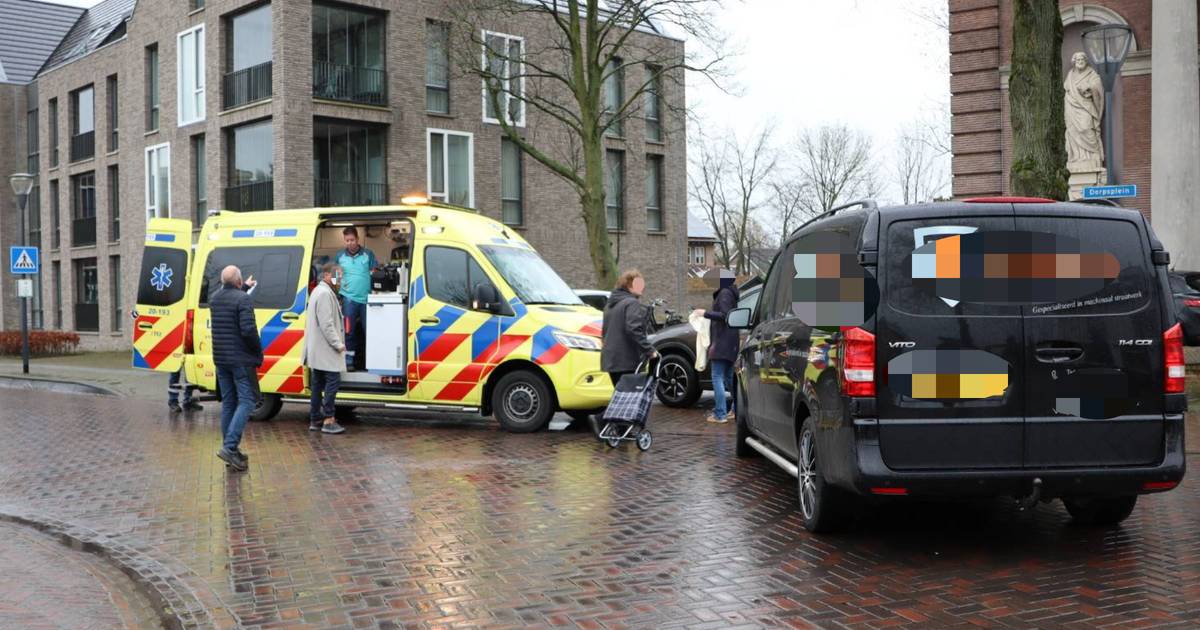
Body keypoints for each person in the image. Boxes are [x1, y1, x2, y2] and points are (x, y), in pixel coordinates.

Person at [210, 265, 262, 472]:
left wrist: (243, 287)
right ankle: (230, 447)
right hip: (240, 359)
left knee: (229, 404)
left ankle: (230, 449)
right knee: (248, 401)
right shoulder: (244, 299)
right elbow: (248, 330)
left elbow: (230, 298)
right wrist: (258, 352)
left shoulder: (215, 298)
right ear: (239, 282)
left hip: (221, 360)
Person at [304, 262, 348, 435]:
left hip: (319, 350)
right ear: (328, 275)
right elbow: (326, 324)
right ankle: (328, 419)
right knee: (332, 381)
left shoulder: (320, 291)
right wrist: (338, 344)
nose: (340, 280)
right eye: (338, 276)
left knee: (317, 385)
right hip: (326, 350)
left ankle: (315, 419)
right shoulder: (324, 294)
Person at [694, 272, 740, 423]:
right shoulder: (731, 293)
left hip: (722, 342)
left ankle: (720, 414)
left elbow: (724, 315)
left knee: (717, 377)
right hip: (730, 341)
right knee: (728, 377)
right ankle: (737, 409)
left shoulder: (725, 293)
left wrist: (705, 313)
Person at [601, 269, 658, 387]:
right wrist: (650, 350)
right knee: (630, 397)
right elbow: (633, 329)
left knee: (621, 396)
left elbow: (604, 332)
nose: (641, 287)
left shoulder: (610, 305)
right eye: (638, 284)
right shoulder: (631, 303)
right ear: (628, 286)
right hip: (626, 360)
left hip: (611, 360)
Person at [336, 227, 378, 371]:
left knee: (370, 332)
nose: (350, 243)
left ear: (357, 239)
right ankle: (349, 362)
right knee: (349, 331)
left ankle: (372, 362)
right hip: (348, 299)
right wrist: (337, 289)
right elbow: (335, 276)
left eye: (352, 240)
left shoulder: (368, 254)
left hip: (367, 300)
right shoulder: (340, 256)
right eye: (347, 240)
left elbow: (376, 273)